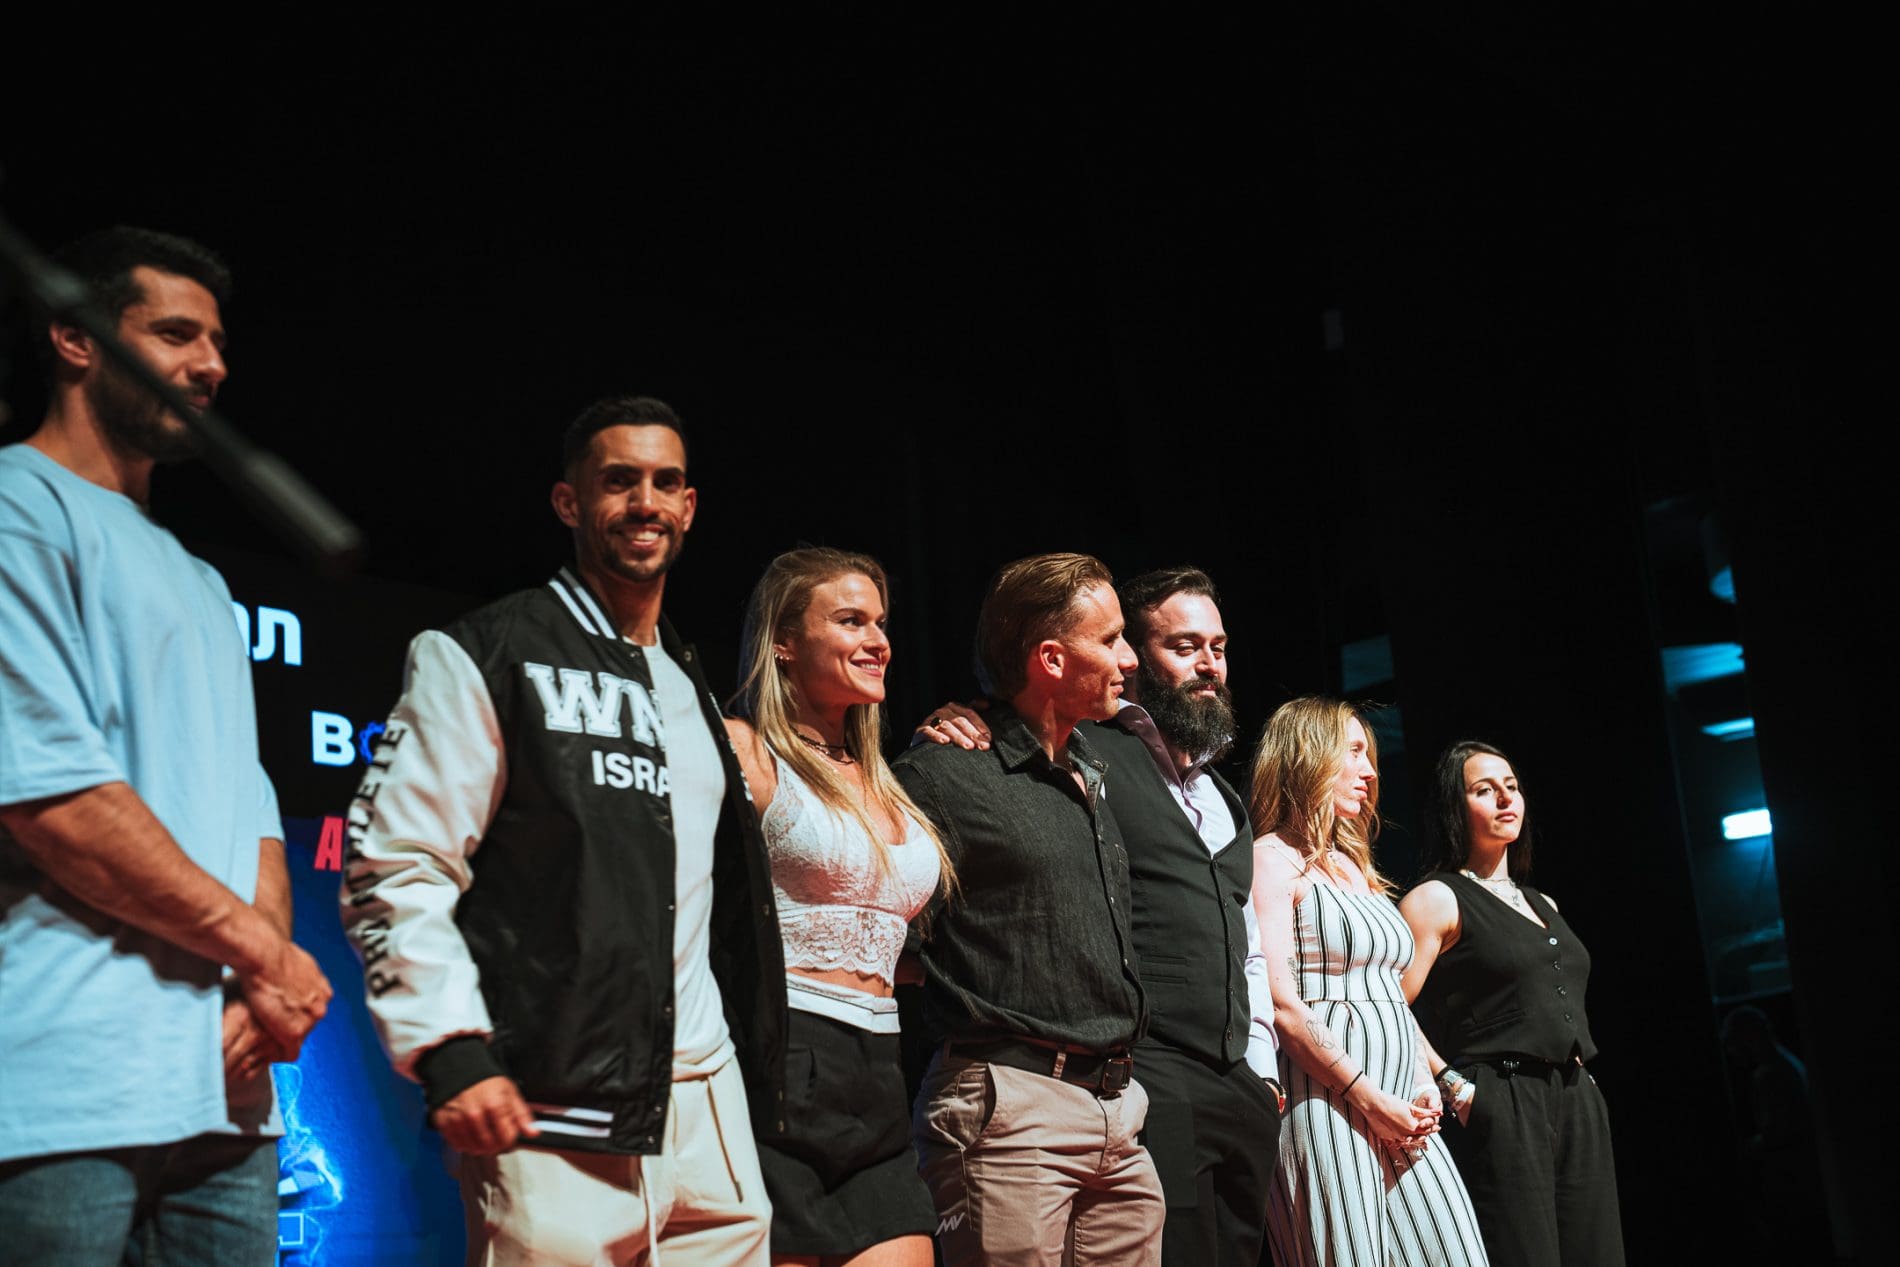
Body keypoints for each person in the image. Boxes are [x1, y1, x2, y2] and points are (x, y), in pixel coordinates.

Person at [340, 395, 785, 1266]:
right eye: (619, 481)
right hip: (550, 1105)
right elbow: (394, 865)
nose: (645, 502)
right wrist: (448, 1047)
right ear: (569, 501)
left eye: (665, 482)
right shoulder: (487, 651)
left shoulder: (689, 684)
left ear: (690, 505)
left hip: (708, 1109)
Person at [0, 226, 332, 1263]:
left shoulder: (202, 579)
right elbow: (54, 800)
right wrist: (268, 957)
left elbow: (251, 811)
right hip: (61, 1086)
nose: (211, 365)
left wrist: (261, 989)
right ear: (75, 337)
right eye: (177, 334)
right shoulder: (16, 508)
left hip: (226, 1092)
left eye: (219, 343)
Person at [918, 566, 1282, 1267]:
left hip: (1219, 1085)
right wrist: (959, 719)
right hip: (1134, 1073)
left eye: (1218, 646)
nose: (1209, 664)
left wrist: (1261, 1073)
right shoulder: (1087, 756)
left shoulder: (1212, 793)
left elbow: (1247, 941)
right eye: (1184, 646)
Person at [893, 552, 1163, 1267]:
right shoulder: (944, 775)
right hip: (1012, 1106)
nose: (1130, 658)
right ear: (1050, 658)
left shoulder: (1089, 769)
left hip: (1118, 1111)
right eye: (1110, 639)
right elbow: (886, 945)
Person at [724, 547, 955, 1267]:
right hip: (779, 1061)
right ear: (783, 642)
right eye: (851, 621)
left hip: (880, 1069)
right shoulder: (744, 750)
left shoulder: (888, 780)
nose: (877, 640)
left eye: (881, 623)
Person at [1250, 697, 1487, 1267]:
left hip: (1401, 1106)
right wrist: (1367, 1096)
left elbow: (1389, 995)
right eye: (1354, 752)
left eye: (1370, 756)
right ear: (1309, 756)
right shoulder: (1269, 859)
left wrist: (1422, 1082)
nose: (1370, 772)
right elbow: (1280, 1002)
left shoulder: (1355, 866)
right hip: (1324, 1103)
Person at [1399, 740, 1623, 1267]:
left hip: (1575, 1096)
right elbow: (1387, 1006)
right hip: (1503, 1097)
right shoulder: (1437, 899)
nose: (1505, 799)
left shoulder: (1543, 902)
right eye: (1485, 790)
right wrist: (1454, 1086)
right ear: (1455, 807)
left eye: (1512, 787)